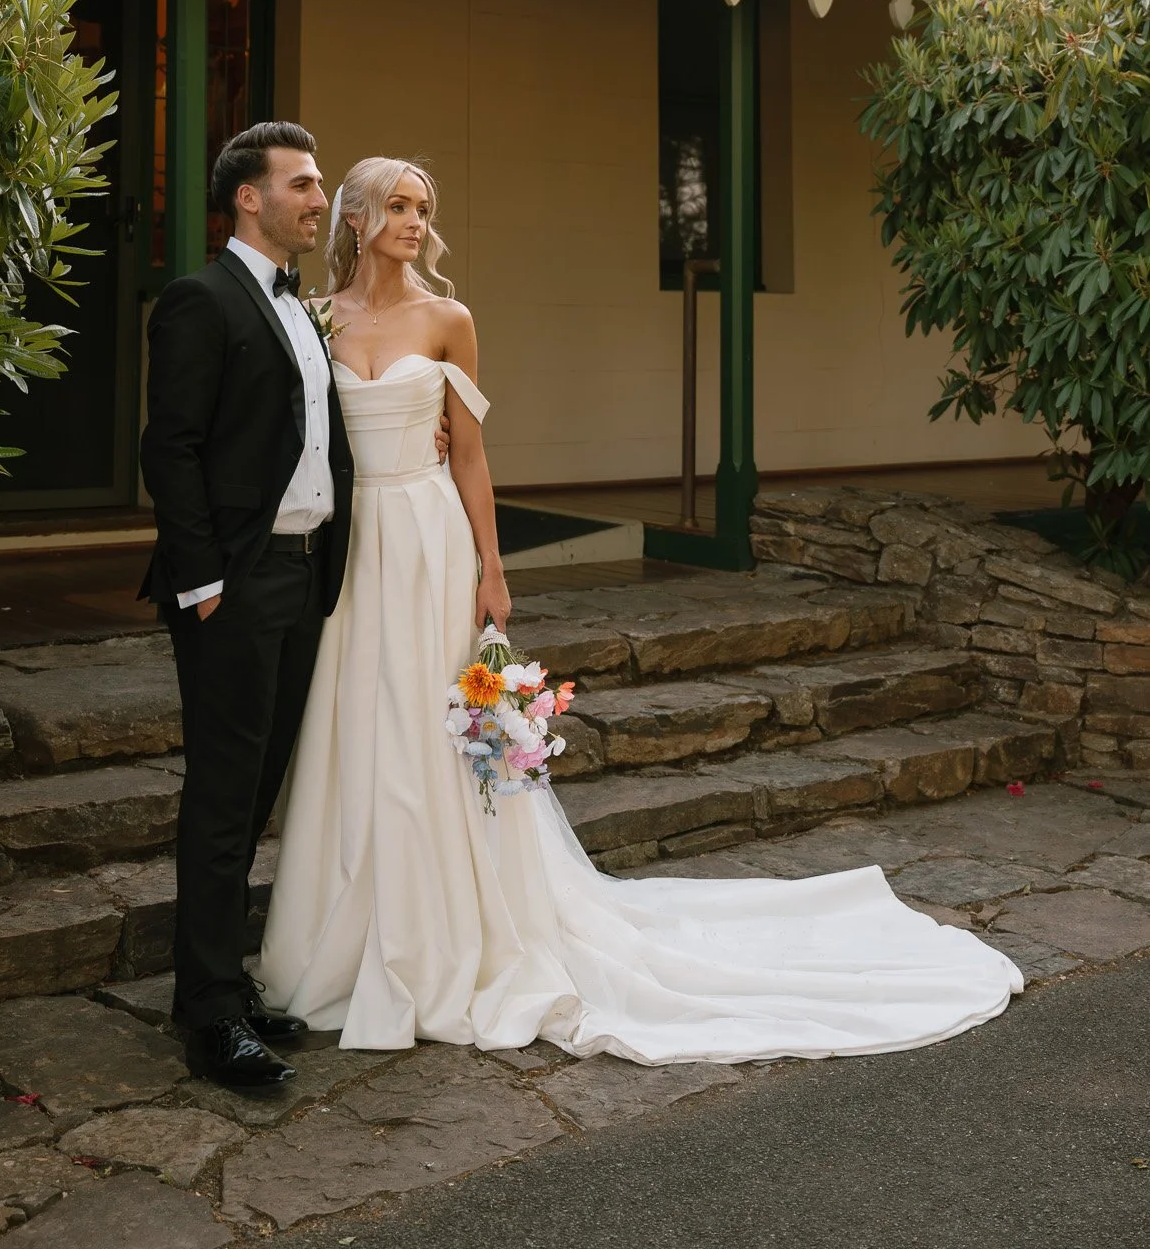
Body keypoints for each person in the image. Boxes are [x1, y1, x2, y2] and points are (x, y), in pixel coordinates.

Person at [260, 156, 1023, 1064]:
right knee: (359, 721)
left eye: (424, 208)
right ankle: (352, 923)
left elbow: (469, 454)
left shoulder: (449, 319)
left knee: (431, 726)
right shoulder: (315, 321)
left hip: (430, 543)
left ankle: (443, 932)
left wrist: (492, 568)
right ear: (355, 219)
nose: (416, 222)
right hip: (354, 551)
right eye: (397, 206)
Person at [140, 121, 454, 1089]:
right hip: (233, 585)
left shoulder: (300, 307)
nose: (319, 201)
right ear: (250, 196)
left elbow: (323, 438)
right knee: (225, 798)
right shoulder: (202, 298)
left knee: (263, 789)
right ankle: (207, 1013)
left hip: (308, 576)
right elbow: (171, 445)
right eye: (304, 185)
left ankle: (231, 985)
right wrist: (202, 581)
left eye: (320, 186)